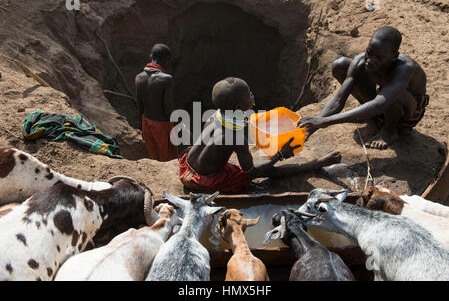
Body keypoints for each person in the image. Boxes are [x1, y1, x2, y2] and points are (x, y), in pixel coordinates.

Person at [178, 77, 342, 194]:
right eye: (249, 94)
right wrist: (280, 154)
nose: (252, 95)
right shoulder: (235, 137)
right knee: (266, 169)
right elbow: (252, 174)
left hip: (187, 165)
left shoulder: (214, 117)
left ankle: (311, 164)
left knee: (251, 163)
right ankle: (314, 165)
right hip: (203, 181)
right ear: (237, 106)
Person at [298, 26, 428, 150]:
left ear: (394, 56)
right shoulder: (362, 61)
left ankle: (389, 130)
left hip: (407, 113)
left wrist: (325, 121)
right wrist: (312, 127)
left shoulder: (405, 68)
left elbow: (380, 104)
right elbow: (339, 100)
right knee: (341, 65)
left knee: (392, 93)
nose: (370, 60)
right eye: (369, 53)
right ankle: (371, 117)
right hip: (381, 102)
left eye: (379, 57)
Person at [135, 44, 178, 161]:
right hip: (162, 126)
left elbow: (139, 106)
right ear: (167, 60)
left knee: (154, 156)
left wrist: (141, 126)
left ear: (150, 56)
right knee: (168, 159)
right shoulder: (166, 79)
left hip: (146, 122)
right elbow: (168, 109)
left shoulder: (139, 78)